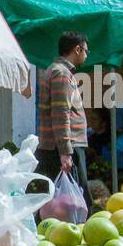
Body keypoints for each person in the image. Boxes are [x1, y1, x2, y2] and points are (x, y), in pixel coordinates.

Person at [36, 31, 93, 213]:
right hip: (65, 147)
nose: (86, 55)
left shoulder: (54, 70)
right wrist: (66, 152)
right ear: (77, 49)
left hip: (57, 146)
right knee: (77, 202)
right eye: (86, 51)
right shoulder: (61, 73)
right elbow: (61, 112)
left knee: (60, 202)